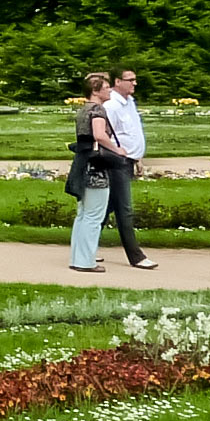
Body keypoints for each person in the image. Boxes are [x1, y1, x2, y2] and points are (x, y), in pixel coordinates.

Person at [65, 74, 130, 272]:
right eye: (106, 87)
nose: (110, 90)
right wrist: (116, 149)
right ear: (95, 90)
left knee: (83, 214)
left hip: (82, 163)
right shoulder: (97, 110)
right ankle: (85, 262)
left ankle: (78, 258)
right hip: (96, 168)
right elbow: (99, 135)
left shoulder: (83, 109)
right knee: (94, 215)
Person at [100, 67, 160, 271]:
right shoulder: (111, 106)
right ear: (117, 81)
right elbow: (104, 135)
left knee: (106, 207)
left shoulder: (130, 103)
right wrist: (119, 153)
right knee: (124, 209)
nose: (135, 83)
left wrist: (138, 158)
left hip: (129, 161)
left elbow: (132, 131)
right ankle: (136, 256)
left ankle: (86, 246)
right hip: (117, 162)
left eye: (135, 79)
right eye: (130, 79)